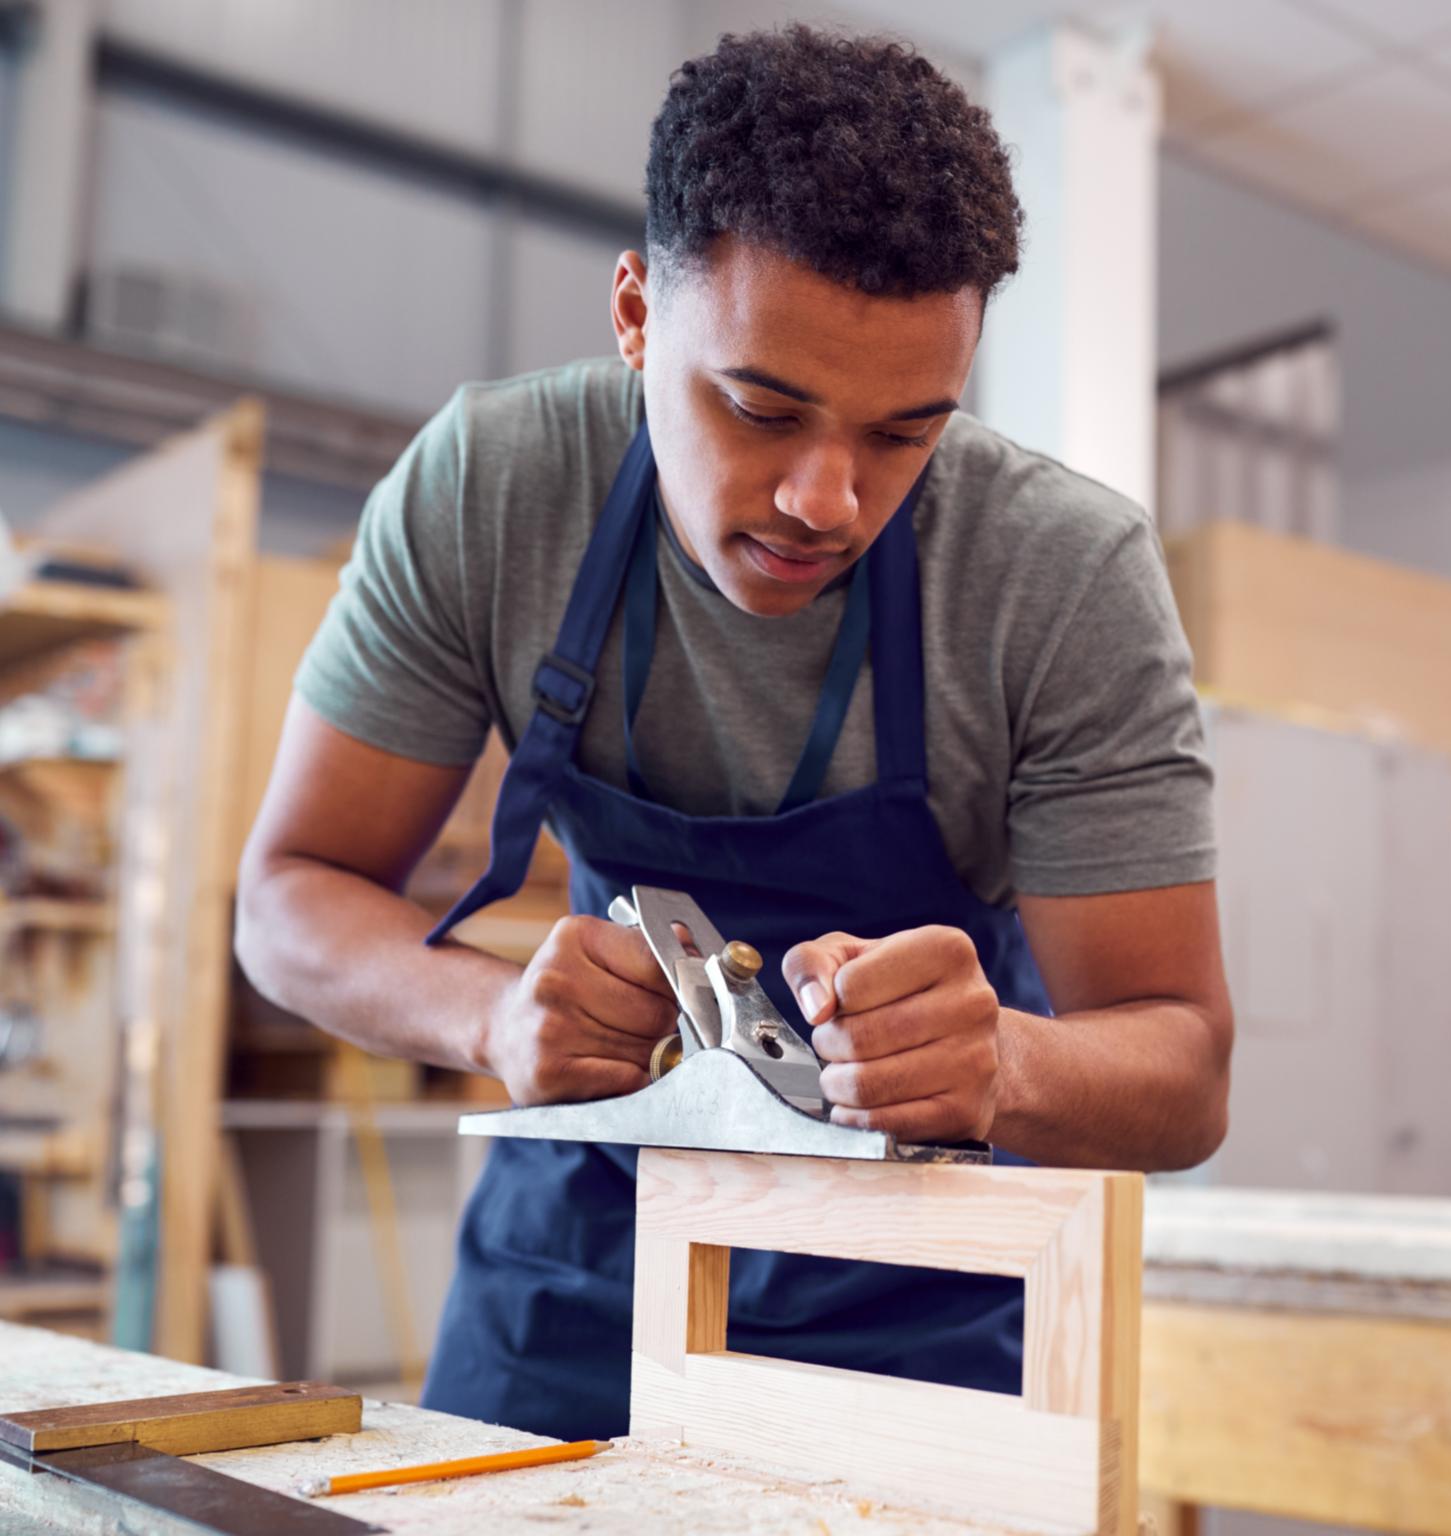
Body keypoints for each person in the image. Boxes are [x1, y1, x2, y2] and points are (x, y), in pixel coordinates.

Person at [237, 25, 1232, 1439]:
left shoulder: (1060, 579)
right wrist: (493, 1012)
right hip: (574, 1279)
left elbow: (1184, 1066)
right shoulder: (494, 489)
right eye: (763, 408)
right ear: (637, 314)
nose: (827, 499)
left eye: (907, 432)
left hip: (930, 1306)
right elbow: (285, 899)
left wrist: (1005, 1063)